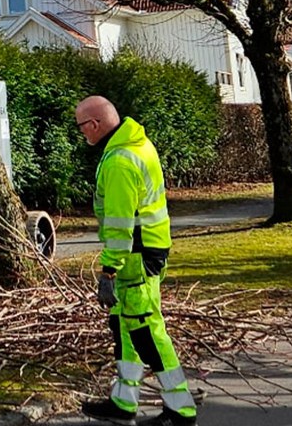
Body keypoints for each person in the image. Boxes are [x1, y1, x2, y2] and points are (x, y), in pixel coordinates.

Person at [75, 95, 199, 423]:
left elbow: (120, 224)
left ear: (95, 124)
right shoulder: (137, 143)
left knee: (145, 331)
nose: (81, 133)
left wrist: (108, 272)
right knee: (125, 328)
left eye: (81, 126)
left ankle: (181, 410)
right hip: (149, 250)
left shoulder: (119, 161)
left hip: (135, 257)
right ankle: (124, 402)